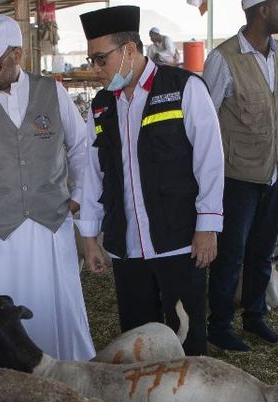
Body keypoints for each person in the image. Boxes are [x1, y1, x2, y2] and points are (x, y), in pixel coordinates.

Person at [0, 13, 95, 369]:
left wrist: (80, 193)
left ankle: (69, 388)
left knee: (57, 311)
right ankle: (5, 398)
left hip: (50, 229)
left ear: (16, 55)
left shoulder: (52, 92)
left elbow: (82, 147)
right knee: (1, 321)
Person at [77, 5, 224, 356]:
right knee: (138, 343)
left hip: (179, 242)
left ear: (128, 50)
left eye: (101, 59)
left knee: (185, 340)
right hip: (127, 248)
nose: (96, 69)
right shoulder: (101, 107)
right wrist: (89, 238)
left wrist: (207, 226)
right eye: (92, 60)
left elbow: (211, 161)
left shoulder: (184, 88)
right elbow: (92, 173)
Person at [203, 0, 278, 351]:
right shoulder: (223, 59)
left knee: (263, 251)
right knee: (231, 252)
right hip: (236, 177)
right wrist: (207, 176)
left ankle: (256, 316)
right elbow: (204, 120)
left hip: (274, 173)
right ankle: (220, 324)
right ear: (261, 10)